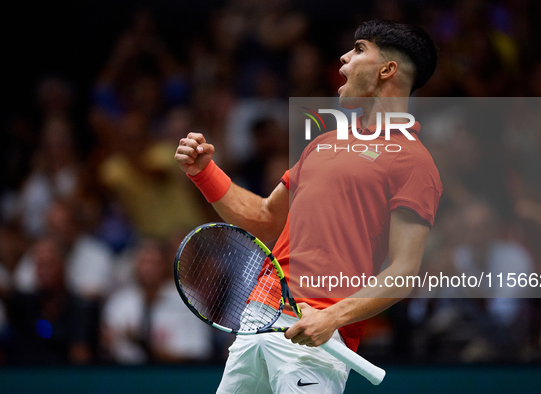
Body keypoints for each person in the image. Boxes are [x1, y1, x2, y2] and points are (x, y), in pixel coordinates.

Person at [175, 20, 441, 393]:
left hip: (317, 337)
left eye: (360, 49)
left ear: (387, 70)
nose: (344, 58)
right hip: (258, 320)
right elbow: (267, 219)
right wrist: (205, 173)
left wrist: (330, 317)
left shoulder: (414, 162)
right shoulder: (323, 144)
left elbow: (403, 270)